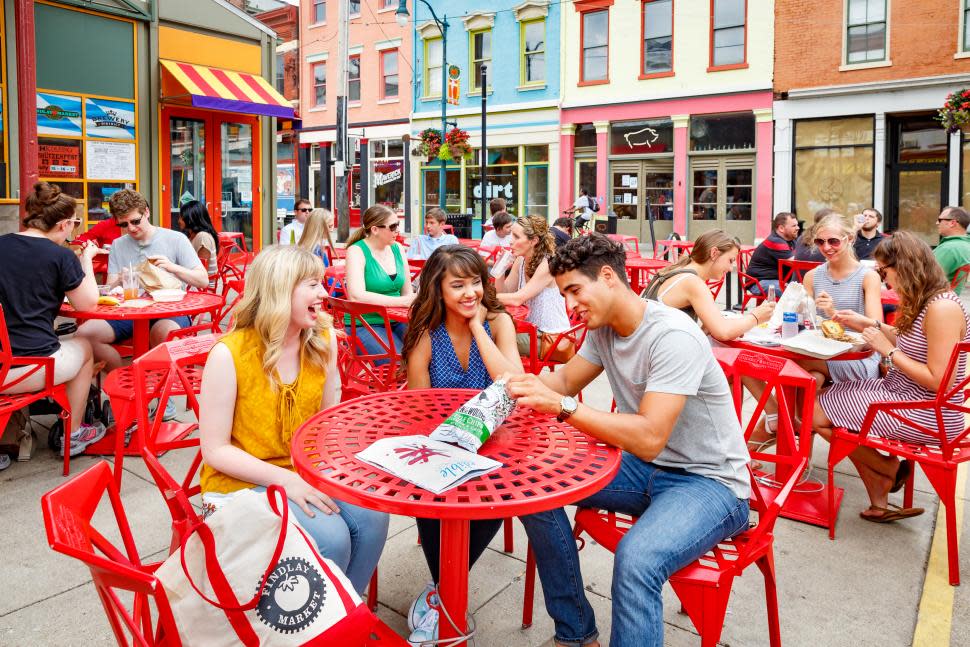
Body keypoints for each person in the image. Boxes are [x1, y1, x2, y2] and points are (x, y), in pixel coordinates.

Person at [505, 234, 750, 647]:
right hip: (649, 471)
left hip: (712, 484)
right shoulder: (604, 330)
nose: (570, 305)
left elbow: (650, 437)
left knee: (637, 560)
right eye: (564, 294)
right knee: (529, 489)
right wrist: (511, 391)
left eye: (575, 291)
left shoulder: (672, 335)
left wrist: (562, 407)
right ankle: (576, 632)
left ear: (607, 277)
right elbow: (563, 380)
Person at [198, 245, 388, 593]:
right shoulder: (229, 354)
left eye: (321, 283)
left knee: (373, 516)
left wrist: (341, 469)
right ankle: (320, 624)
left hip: (303, 468)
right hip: (238, 481)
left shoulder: (322, 341)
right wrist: (288, 481)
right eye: (312, 284)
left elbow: (324, 423)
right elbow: (215, 451)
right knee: (332, 538)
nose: (324, 293)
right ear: (278, 290)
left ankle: (344, 614)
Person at [399, 245, 523, 644]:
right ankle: (447, 595)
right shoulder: (425, 332)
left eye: (474, 282)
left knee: (496, 501)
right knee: (430, 497)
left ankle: (442, 595)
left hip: (496, 443)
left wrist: (475, 327)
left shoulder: (499, 322)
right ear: (437, 289)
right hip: (441, 442)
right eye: (457, 285)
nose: (470, 292)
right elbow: (417, 404)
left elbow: (513, 383)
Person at [814, 232, 970, 523]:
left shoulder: (942, 309)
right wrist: (870, 323)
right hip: (903, 394)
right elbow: (913, 340)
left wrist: (888, 351)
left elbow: (939, 381)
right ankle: (879, 495)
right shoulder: (928, 301)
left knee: (814, 412)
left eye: (884, 271)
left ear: (906, 267)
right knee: (826, 401)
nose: (884, 279)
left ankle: (887, 470)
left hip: (927, 412)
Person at [0, 182, 105, 460]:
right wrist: (86, 261)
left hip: (3, 362)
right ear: (63, 224)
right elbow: (89, 304)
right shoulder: (59, 256)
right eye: (75, 224)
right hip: (26, 368)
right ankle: (73, 434)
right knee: (83, 346)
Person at [75, 190, 208, 377]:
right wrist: (120, 279)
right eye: (123, 224)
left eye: (135, 221)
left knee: (164, 334)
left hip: (171, 308)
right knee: (84, 335)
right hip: (131, 310)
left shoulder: (175, 239)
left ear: (146, 212)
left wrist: (172, 267)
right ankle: (125, 382)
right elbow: (110, 288)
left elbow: (203, 279)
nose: (130, 228)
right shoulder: (118, 245)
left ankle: (162, 398)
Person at [643, 229, 775, 338]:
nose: (731, 268)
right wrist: (755, 317)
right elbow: (724, 332)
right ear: (714, 253)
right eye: (730, 260)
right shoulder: (692, 282)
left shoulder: (675, 270)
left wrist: (705, 329)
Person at [801, 213, 883, 386]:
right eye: (820, 242)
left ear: (850, 239)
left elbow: (876, 329)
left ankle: (774, 412)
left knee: (796, 365)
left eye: (833, 241)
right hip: (820, 352)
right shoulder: (812, 276)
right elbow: (804, 322)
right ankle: (787, 413)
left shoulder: (868, 277)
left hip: (857, 357)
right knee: (812, 378)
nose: (826, 247)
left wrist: (833, 313)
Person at [495, 216, 571, 359]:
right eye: (511, 234)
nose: (510, 240)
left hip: (553, 339)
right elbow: (504, 293)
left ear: (534, 240)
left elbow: (517, 299)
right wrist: (500, 269)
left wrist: (481, 297)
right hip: (532, 332)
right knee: (489, 331)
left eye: (516, 236)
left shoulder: (548, 264)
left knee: (492, 337)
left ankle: (504, 379)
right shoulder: (521, 259)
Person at [344, 204, 414, 357]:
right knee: (398, 362)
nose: (398, 230)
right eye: (393, 226)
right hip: (365, 322)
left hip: (397, 318)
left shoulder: (398, 248)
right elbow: (356, 296)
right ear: (375, 229)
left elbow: (407, 292)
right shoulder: (356, 251)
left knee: (426, 354)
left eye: (398, 225)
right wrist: (402, 302)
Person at [746, 211, 798, 295]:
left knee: (800, 288)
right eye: (794, 226)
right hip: (758, 283)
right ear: (781, 228)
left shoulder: (791, 240)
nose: (798, 228)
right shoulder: (775, 242)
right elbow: (796, 263)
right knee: (794, 292)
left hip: (775, 280)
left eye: (797, 225)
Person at [178, 200, 220, 279]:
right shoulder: (192, 235)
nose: (178, 221)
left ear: (191, 219)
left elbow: (202, 274)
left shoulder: (203, 237)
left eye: (181, 217)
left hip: (203, 288)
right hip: (193, 281)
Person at [933, 206, 970, 290]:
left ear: (952, 223)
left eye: (940, 220)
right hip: (948, 299)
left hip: (933, 299)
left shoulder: (950, 249)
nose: (937, 223)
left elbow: (924, 277)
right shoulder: (965, 245)